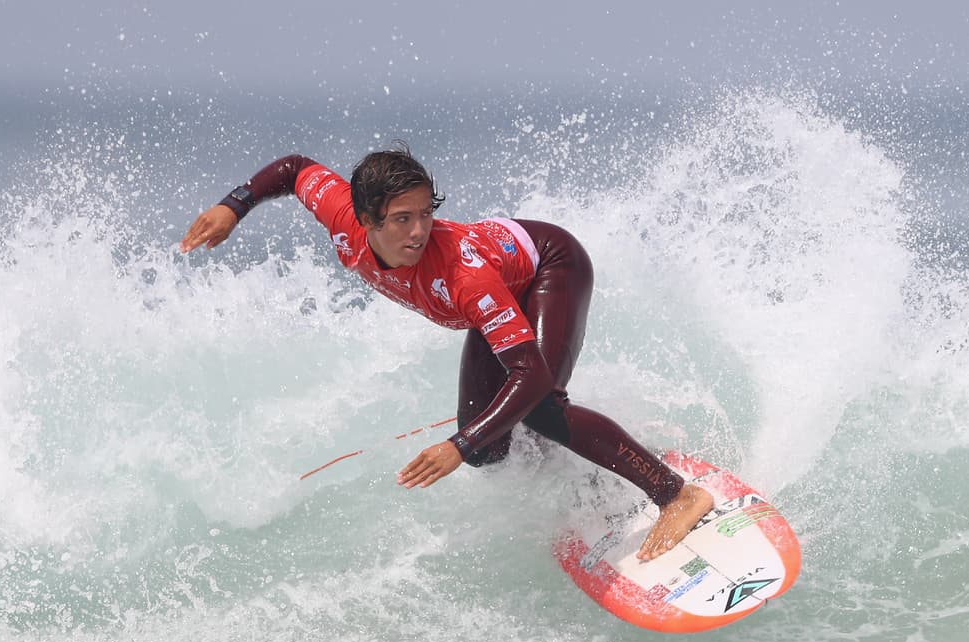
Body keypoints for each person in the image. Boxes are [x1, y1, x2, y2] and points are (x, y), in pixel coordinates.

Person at [180, 145, 714, 561]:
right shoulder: (343, 215)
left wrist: (455, 444)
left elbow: (529, 374)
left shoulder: (462, 274)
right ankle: (585, 471)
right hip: (498, 292)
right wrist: (235, 205)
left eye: (424, 214)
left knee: (541, 404)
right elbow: (296, 169)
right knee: (489, 450)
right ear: (365, 219)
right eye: (400, 220)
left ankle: (674, 493)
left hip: (550, 268)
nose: (417, 231)